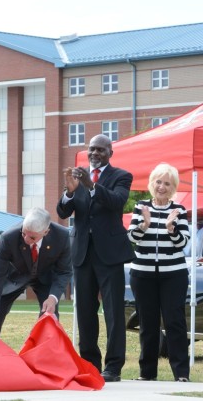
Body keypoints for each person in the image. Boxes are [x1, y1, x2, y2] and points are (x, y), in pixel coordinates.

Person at [57, 134, 135, 382]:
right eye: (92, 149)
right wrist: (69, 193)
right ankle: (89, 362)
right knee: (85, 312)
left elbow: (117, 202)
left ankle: (113, 367)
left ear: (110, 153)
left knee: (113, 312)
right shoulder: (77, 177)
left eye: (101, 149)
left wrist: (91, 186)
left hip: (109, 254)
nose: (95, 153)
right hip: (82, 253)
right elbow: (62, 211)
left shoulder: (121, 176)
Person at [127, 163, 190, 382]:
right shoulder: (141, 207)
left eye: (167, 183)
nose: (162, 186)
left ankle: (181, 374)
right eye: (158, 181)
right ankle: (147, 374)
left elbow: (182, 243)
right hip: (142, 274)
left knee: (175, 322)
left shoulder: (179, 210)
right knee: (148, 323)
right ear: (152, 183)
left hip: (174, 274)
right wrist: (145, 224)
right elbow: (131, 239)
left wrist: (171, 228)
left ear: (173, 187)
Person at [0, 207, 72, 336]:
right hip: (15, 276)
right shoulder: (8, 237)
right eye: (23, 233)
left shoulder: (62, 236)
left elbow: (64, 271)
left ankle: (43, 353)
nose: (26, 239)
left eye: (32, 237)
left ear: (46, 231)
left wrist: (53, 298)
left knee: (50, 314)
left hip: (46, 277)